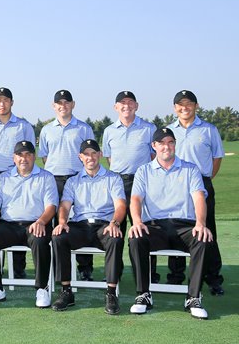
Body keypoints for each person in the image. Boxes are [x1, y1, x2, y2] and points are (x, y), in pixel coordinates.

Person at [128, 128, 212, 319]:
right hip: (156, 227)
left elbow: (199, 198)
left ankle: (193, 297)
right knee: (136, 237)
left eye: (170, 142)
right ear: (154, 146)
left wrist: (201, 223)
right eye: (161, 143)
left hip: (185, 226)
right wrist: (137, 221)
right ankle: (143, 294)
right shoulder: (144, 171)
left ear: (175, 144)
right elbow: (135, 199)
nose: (166, 146)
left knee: (203, 238)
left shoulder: (190, 169)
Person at [51, 139, 126, 314]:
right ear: (80, 157)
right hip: (80, 225)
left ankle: (111, 293)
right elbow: (64, 205)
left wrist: (115, 223)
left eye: (94, 153)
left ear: (100, 155)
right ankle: (66, 291)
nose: (90, 157)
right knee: (58, 237)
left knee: (115, 238)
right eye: (86, 154)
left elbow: (121, 205)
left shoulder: (113, 178)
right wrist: (62, 222)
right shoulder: (73, 181)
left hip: (104, 226)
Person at [0, 141, 57, 308]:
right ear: (14, 158)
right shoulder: (2, 178)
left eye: (28, 154)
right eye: (20, 155)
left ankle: (42, 288)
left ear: (34, 157)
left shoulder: (46, 177)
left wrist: (42, 221)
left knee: (40, 238)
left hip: (35, 223)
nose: (24, 158)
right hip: (8, 225)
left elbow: (51, 206)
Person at [169, 90, 225, 295]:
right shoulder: (168, 131)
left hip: (201, 183)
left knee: (207, 230)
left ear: (196, 105)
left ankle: (213, 278)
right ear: (175, 108)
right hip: (174, 185)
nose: (184, 107)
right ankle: (176, 275)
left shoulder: (209, 130)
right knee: (176, 228)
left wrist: (206, 180)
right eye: (180, 104)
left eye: (189, 103)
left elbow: (217, 158)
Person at [38, 90, 95, 281]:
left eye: (66, 102)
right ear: (54, 106)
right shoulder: (46, 130)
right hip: (54, 181)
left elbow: (90, 155)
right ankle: (58, 268)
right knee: (55, 224)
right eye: (59, 103)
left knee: (81, 221)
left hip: (78, 180)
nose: (63, 106)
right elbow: (45, 157)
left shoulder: (84, 128)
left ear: (73, 104)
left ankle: (85, 268)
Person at [0, 87, 35, 280]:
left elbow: (29, 153)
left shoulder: (23, 126)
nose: (2, 104)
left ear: (12, 102)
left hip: (18, 177)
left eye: (6, 100)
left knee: (17, 219)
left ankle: (18, 268)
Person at [102, 91, 158, 282]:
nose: (126, 106)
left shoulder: (149, 128)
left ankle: (148, 273)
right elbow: (110, 159)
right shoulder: (109, 131)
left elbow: (154, 157)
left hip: (142, 182)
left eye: (130, 102)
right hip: (118, 183)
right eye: (122, 103)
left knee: (143, 227)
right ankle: (114, 272)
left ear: (137, 105)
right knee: (117, 229)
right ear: (116, 107)